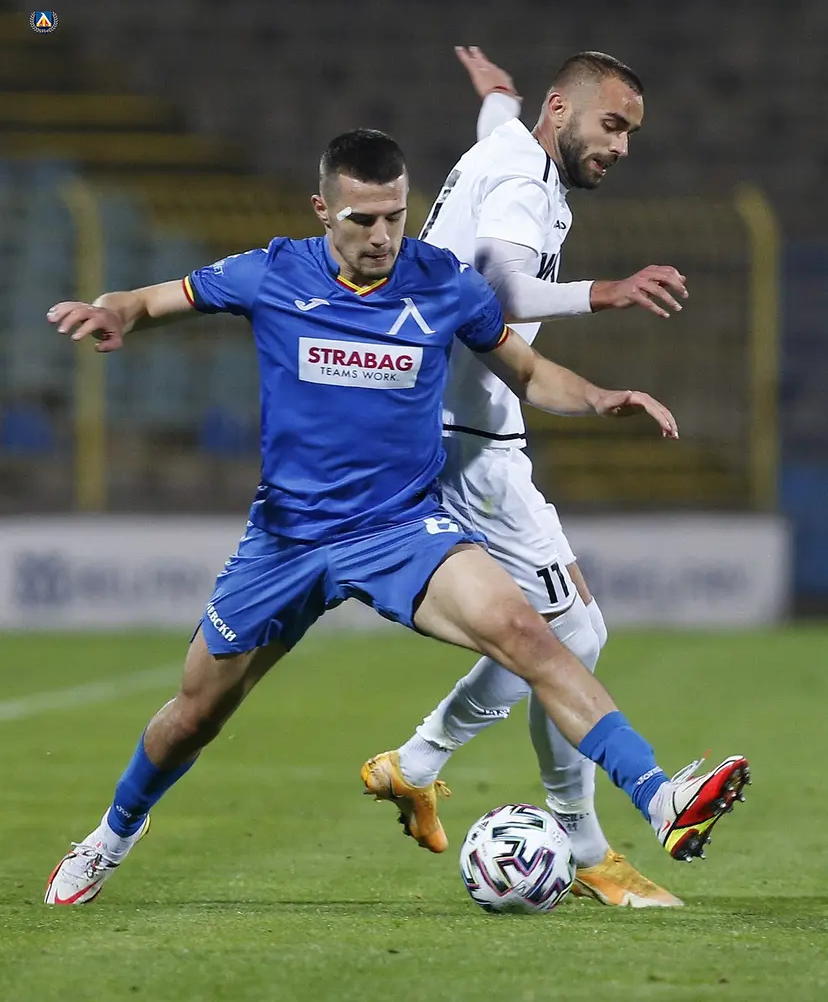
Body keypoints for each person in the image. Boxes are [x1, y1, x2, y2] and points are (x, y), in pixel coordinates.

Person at [44, 128, 747, 906]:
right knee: (196, 714)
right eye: (362, 219)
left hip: (401, 531)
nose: (381, 235)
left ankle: (660, 797)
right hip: (288, 539)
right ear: (323, 211)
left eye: (394, 216)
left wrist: (599, 397)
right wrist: (113, 312)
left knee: (531, 635)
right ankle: (110, 836)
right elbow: (153, 299)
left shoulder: (443, 282)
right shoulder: (273, 272)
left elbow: (528, 370)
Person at [360, 49, 700, 908]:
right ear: (560, 111)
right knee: (571, 637)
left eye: (630, 133)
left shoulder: (509, 145)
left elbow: (498, 130)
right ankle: (579, 844)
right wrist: (606, 291)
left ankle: (421, 764)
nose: (621, 147)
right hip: (467, 436)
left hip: (454, 421)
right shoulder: (522, 178)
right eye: (611, 125)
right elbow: (498, 289)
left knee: (566, 632)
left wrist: (496, 95)